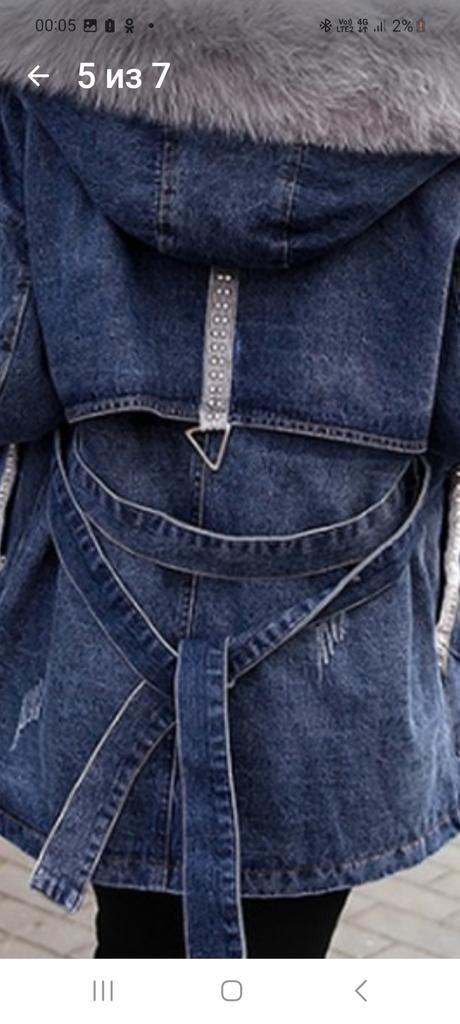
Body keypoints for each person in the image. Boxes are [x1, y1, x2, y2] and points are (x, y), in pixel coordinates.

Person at [1, 1, 460, 960]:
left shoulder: (54, 73)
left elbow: (12, 381)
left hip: (102, 637)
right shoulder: (438, 88)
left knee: (133, 959)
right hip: (342, 668)